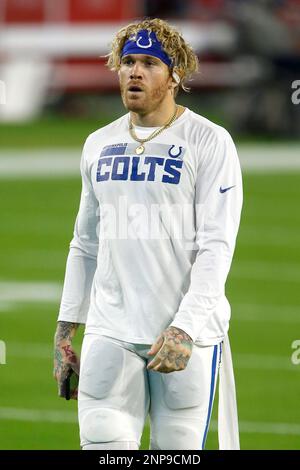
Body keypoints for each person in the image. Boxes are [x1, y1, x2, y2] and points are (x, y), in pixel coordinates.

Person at [53, 17, 243, 450]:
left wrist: (185, 329)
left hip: (182, 335)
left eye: (149, 63)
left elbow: (217, 246)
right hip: (110, 329)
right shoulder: (98, 143)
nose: (134, 71)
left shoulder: (209, 142)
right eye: (128, 61)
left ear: (175, 76)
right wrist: (66, 332)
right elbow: (84, 242)